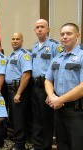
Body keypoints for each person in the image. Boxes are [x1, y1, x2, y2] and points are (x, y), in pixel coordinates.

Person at [45, 23, 83, 150]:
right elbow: (48, 80)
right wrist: (52, 97)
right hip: (58, 109)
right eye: (62, 34)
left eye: (69, 34)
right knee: (62, 144)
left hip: (77, 111)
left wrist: (60, 100)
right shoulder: (57, 58)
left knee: (77, 145)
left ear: (77, 35)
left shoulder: (82, 56)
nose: (64, 37)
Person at [31, 19, 62, 150]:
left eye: (42, 27)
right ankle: (37, 145)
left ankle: (45, 146)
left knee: (46, 119)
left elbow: (60, 67)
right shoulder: (34, 46)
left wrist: (52, 92)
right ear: (34, 31)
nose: (39, 29)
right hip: (34, 86)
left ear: (48, 29)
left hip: (47, 87)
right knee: (36, 117)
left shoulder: (55, 46)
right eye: (37, 27)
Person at [6, 33, 32, 150]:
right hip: (11, 89)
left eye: (17, 39)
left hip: (18, 90)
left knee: (19, 118)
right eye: (13, 39)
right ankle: (17, 138)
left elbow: (26, 74)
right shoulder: (12, 55)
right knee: (14, 117)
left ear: (22, 40)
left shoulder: (24, 55)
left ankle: (20, 144)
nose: (15, 41)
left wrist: (19, 93)